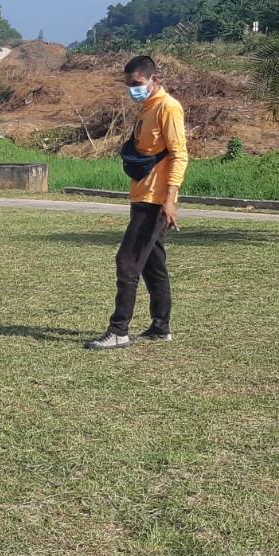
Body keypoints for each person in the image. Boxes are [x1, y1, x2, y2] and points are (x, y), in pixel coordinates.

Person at [86, 55, 187, 351]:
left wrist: (169, 201)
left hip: (155, 200)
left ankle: (118, 330)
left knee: (127, 261)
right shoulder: (148, 107)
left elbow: (179, 155)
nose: (132, 88)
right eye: (128, 84)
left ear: (154, 79)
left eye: (137, 83)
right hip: (141, 194)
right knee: (153, 264)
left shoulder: (168, 107)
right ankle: (160, 326)